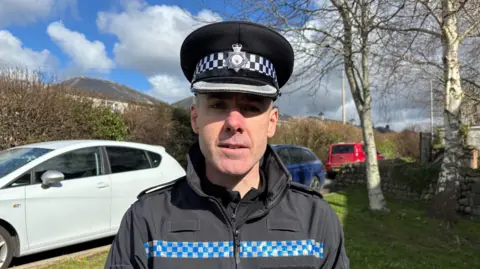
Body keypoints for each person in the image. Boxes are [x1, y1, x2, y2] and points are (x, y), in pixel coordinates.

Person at [104, 20, 349, 269]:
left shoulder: (316, 221)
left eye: (251, 107)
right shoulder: (145, 222)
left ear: (272, 122)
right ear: (195, 118)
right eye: (218, 105)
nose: (234, 122)